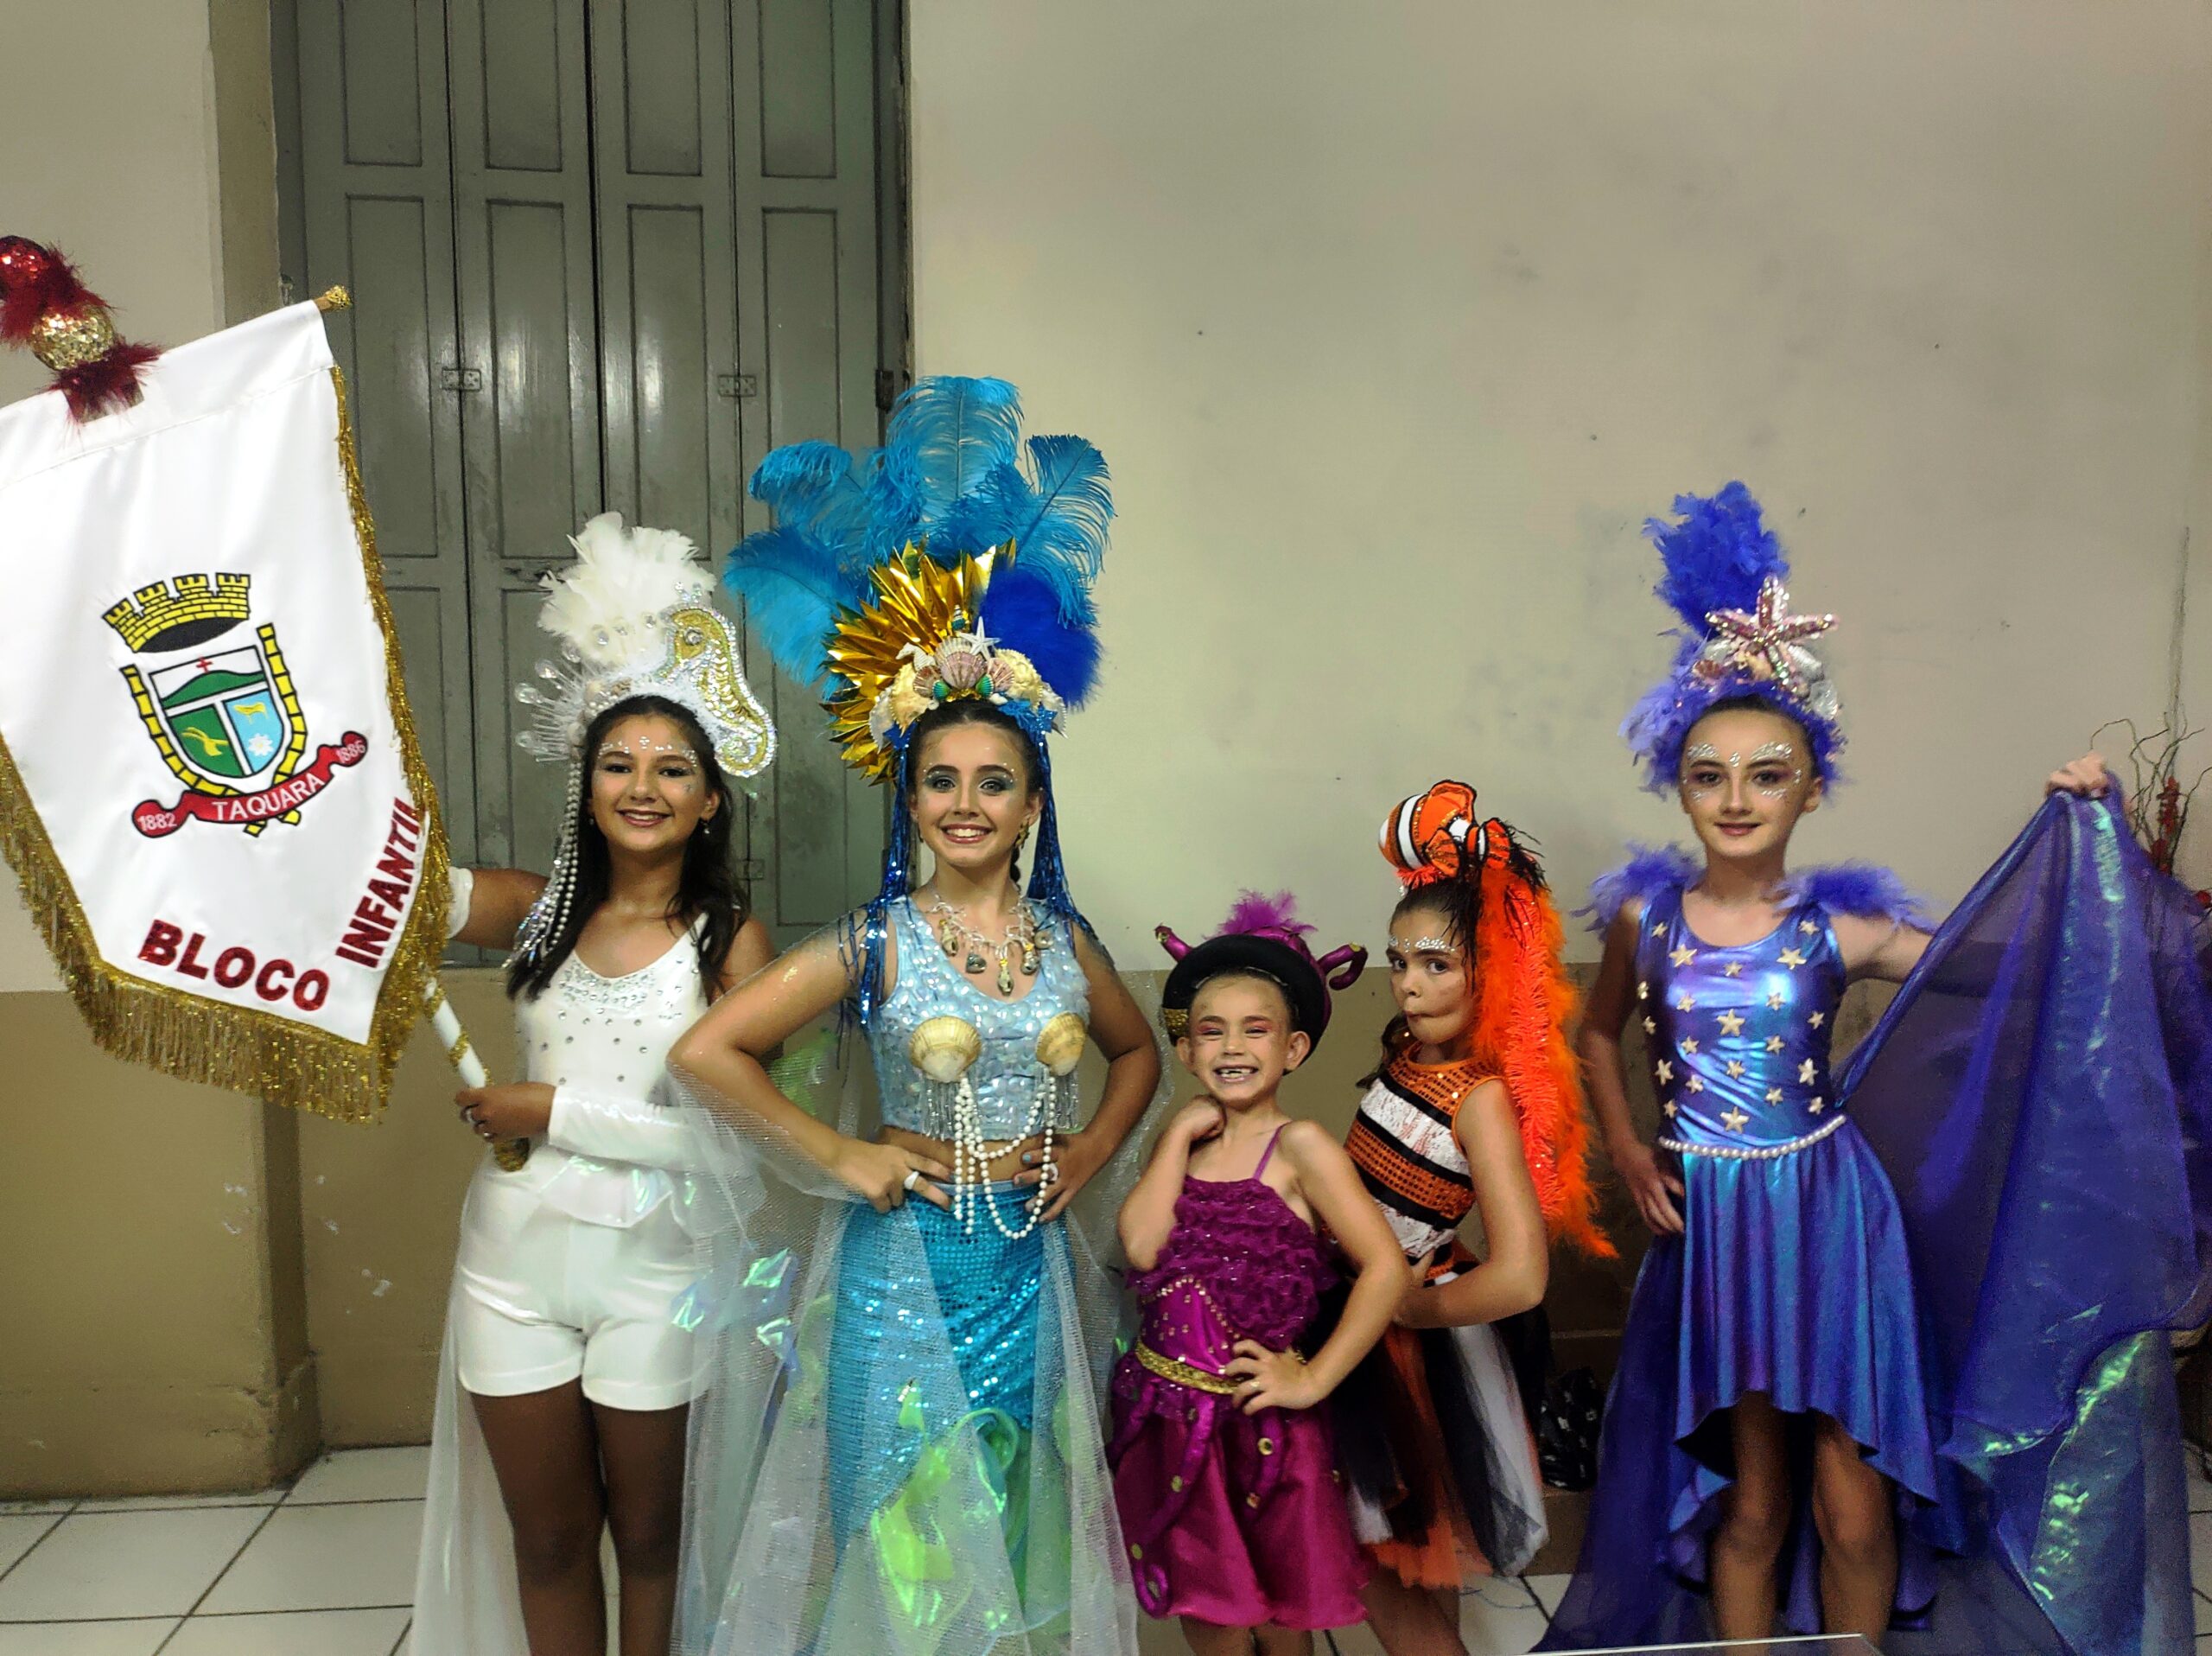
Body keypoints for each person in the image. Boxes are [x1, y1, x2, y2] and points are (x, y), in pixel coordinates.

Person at [1541, 483, 2207, 1654]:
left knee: (1853, 1501)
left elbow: (2009, 966)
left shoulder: (1840, 932)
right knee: (1750, 1501)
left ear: (1810, 785)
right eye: (1709, 773)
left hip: (1830, 1222)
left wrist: (2077, 838)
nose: (1736, 797)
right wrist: (1632, 1144)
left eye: (1767, 772)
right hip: (1717, 1232)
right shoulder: (1648, 922)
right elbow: (1598, 1036)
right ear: (1679, 783)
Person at [667, 379, 1167, 1656]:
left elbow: (1135, 1053)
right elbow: (707, 1050)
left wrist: (1092, 1155)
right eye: (938, 780)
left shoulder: (1064, 942)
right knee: (902, 1534)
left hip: (1028, 1272)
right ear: (908, 800)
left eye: (992, 782)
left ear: (1030, 805)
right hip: (905, 1279)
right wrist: (844, 1158)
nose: (964, 803)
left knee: (1023, 1523)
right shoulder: (876, 942)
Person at [410, 515, 778, 1656]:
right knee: (552, 1540)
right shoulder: (535, 907)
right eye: (619, 763)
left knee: (655, 1539)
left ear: (711, 799)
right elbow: (396, 883)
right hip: (513, 1263)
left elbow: (735, 1140)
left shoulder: (731, 943)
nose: (643, 785)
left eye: (674, 768)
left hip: (661, 1269)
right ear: (587, 780)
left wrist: (550, 1110)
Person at [1333, 783, 1611, 1656]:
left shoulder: (1480, 1095)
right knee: (1415, 1573)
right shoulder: (1408, 1054)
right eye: (1399, 960)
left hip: (1403, 1349)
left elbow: (1522, 1272)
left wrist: (1411, 1309)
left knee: (1377, 1572)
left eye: (1436, 964)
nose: (1409, 985)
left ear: (1489, 972)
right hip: (1350, 1316)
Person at [1111, 894, 1402, 1653]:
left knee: (1280, 1613)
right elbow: (1142, 1249)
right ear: (1187, 1052)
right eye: (1211, 1031)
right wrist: (1174, 1135)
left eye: (1255, 1029)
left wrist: (1312, 1380)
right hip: (1170, 1425)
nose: (1232, 1046)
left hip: (1263, 1426)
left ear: (1293, 1050)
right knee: (1211, 1615)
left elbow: (1382, 1270)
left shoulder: (1302, 1146)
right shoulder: (1183, 1151)